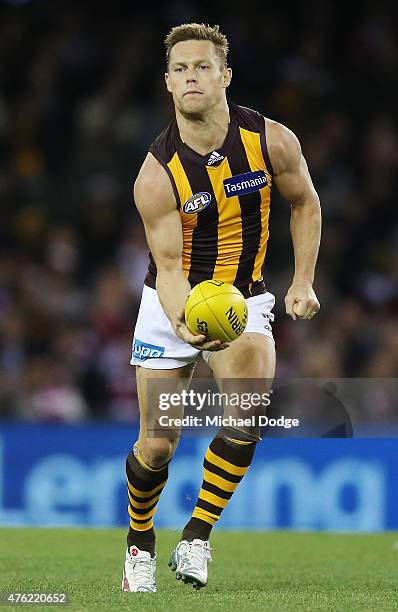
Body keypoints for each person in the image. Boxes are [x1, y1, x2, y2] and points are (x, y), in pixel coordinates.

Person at [122, 23, 321, 593]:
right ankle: (139, 543)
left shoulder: (271, 141)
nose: (191, 76)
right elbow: (169, 268)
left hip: (243, 298)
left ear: (224, 76)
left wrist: (302, 281)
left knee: (248, 415)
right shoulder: (157, 173)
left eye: (202, 66)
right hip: (170, 302)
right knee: (158, 444)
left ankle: (197, 536)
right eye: (180, 69)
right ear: (167, 83)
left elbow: (304, 203)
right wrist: (186, 320)